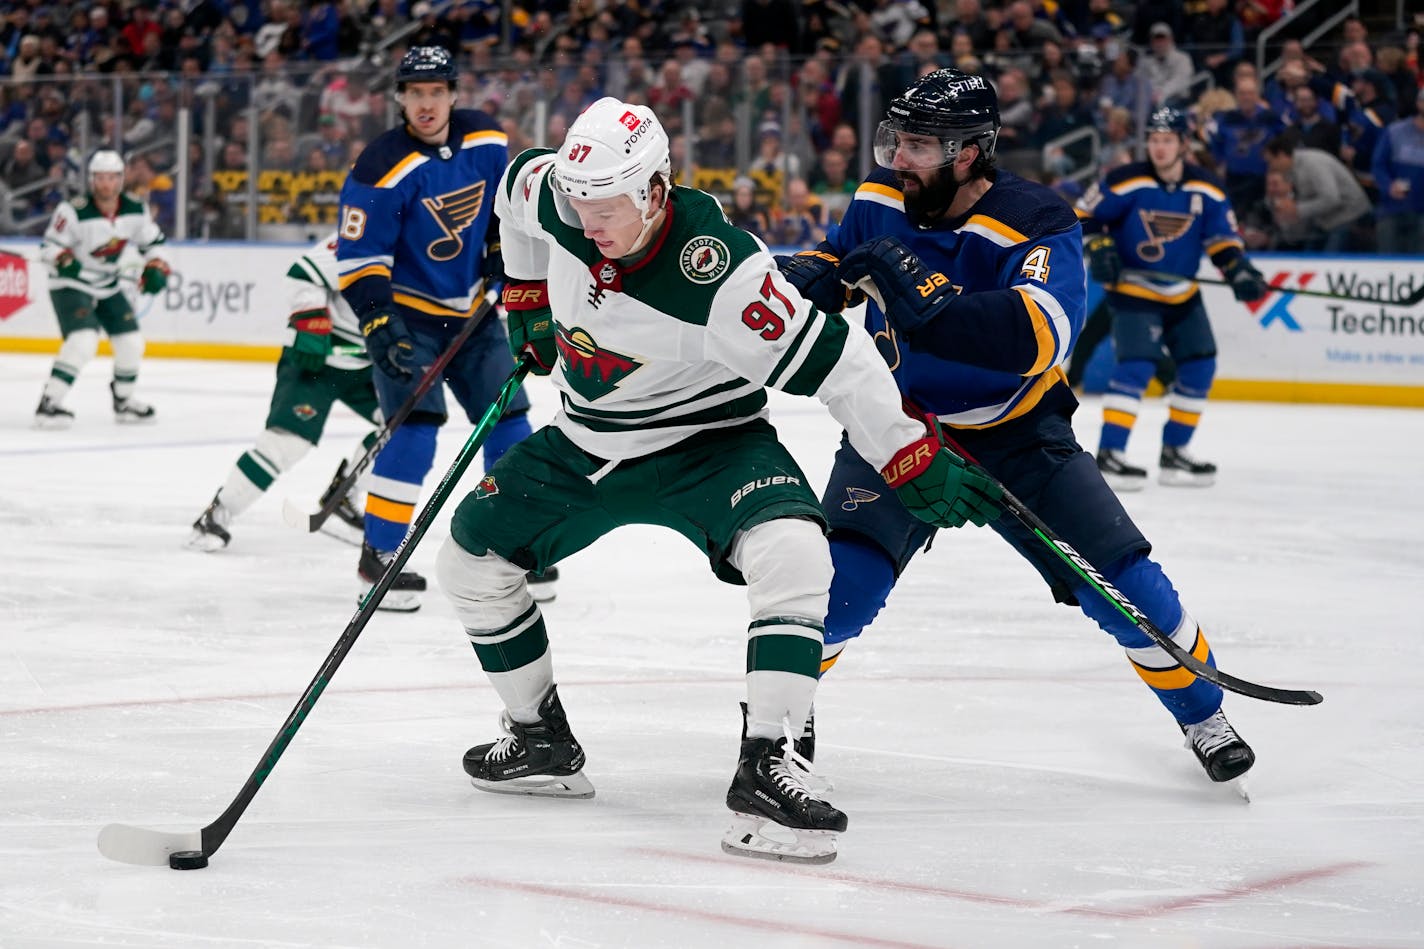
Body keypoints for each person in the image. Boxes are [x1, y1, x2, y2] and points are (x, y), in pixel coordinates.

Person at [432, 96, 992, 864]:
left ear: (656, 191)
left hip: (711, 442)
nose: (587, 224)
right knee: (467, 561)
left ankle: (768, 762)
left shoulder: (720, 273)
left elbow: (837, 359)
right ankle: (537, 740)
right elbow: (512, 199)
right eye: (578, 203)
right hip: (588, 441)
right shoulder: (558, 191)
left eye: (607, 209)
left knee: (796, 548)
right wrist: (527, 294)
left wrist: (904, 452)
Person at [776, 69, 1259, 791]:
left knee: (1125, 587)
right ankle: (779, 718)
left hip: (1020, 432)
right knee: (841, 588)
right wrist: (811, 273)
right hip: (898, 427)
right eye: (896, 140)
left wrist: (926, 300)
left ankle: (1203, 713)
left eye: (916, 145)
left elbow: (1039, 338)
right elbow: (841, 259)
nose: (896, 158)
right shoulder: (881, 195)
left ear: (969, 152)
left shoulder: (1040, 219)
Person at [336, 46, 542, 612]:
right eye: (414, 93)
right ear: (400, 98)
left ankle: (512, 544)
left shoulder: (486, 140)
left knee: (509, 419)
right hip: (407, 318)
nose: (425, 104)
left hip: (472, 315)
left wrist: (501, 263)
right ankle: (377, 555)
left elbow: (504, 217)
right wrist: (378, 320)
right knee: (415, 427)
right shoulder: (379, 164)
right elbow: (359, 257)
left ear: (453, 94)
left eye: (435, 92)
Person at [1076, 106, 1269, 490]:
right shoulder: (1125, 181)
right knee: (1137, 366)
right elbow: (1083, 216)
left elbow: (1222, 241)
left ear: (1184, 143)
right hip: (1133, 291)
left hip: (1183, 292)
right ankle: (1111, 455)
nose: (1159, 148)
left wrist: (1238, 270)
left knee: (1200, 364)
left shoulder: (1207, 188)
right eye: (1153, 140)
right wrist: (1099, 245)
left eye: (1167, 140)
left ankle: (1174, 453)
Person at [187, 233, 381, 552]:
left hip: (367, 364)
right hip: (316, 359)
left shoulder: (433, 253)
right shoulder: (367, 234)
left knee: (407, 424)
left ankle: (344, 496)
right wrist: (311, 320)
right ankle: (217, 515)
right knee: (287, 444)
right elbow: (303, 273)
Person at [34, 150, 170, 429]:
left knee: (132, 344)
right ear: (92, 180)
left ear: (121, 179)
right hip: (70, 284)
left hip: (107, 283)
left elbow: (152, 243)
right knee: (83, 339)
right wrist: (62, 259)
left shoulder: (135, 208)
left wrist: (156, 265)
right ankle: (49, 403)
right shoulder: (72, 210)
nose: (106, 184)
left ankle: (124, 401)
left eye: (112, 178)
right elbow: (49, 247)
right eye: (100, 178)